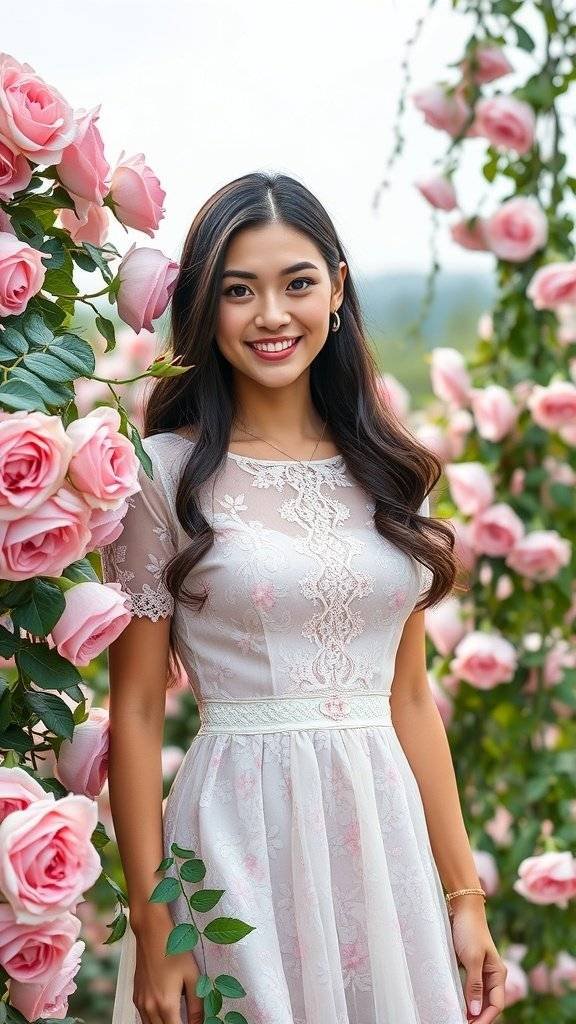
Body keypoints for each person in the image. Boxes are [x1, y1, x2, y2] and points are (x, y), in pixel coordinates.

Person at [100, 171, 507, 1024]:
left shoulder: (393, 475)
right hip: (235, 835)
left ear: (337, 287)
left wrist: (464, 896)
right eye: (239, 291)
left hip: (379, 833)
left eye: (297, 283)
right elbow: (135, 711)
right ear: (206, 307)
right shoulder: (164, 476)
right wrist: (154, 919)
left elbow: (409, 700)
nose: (273, 315)